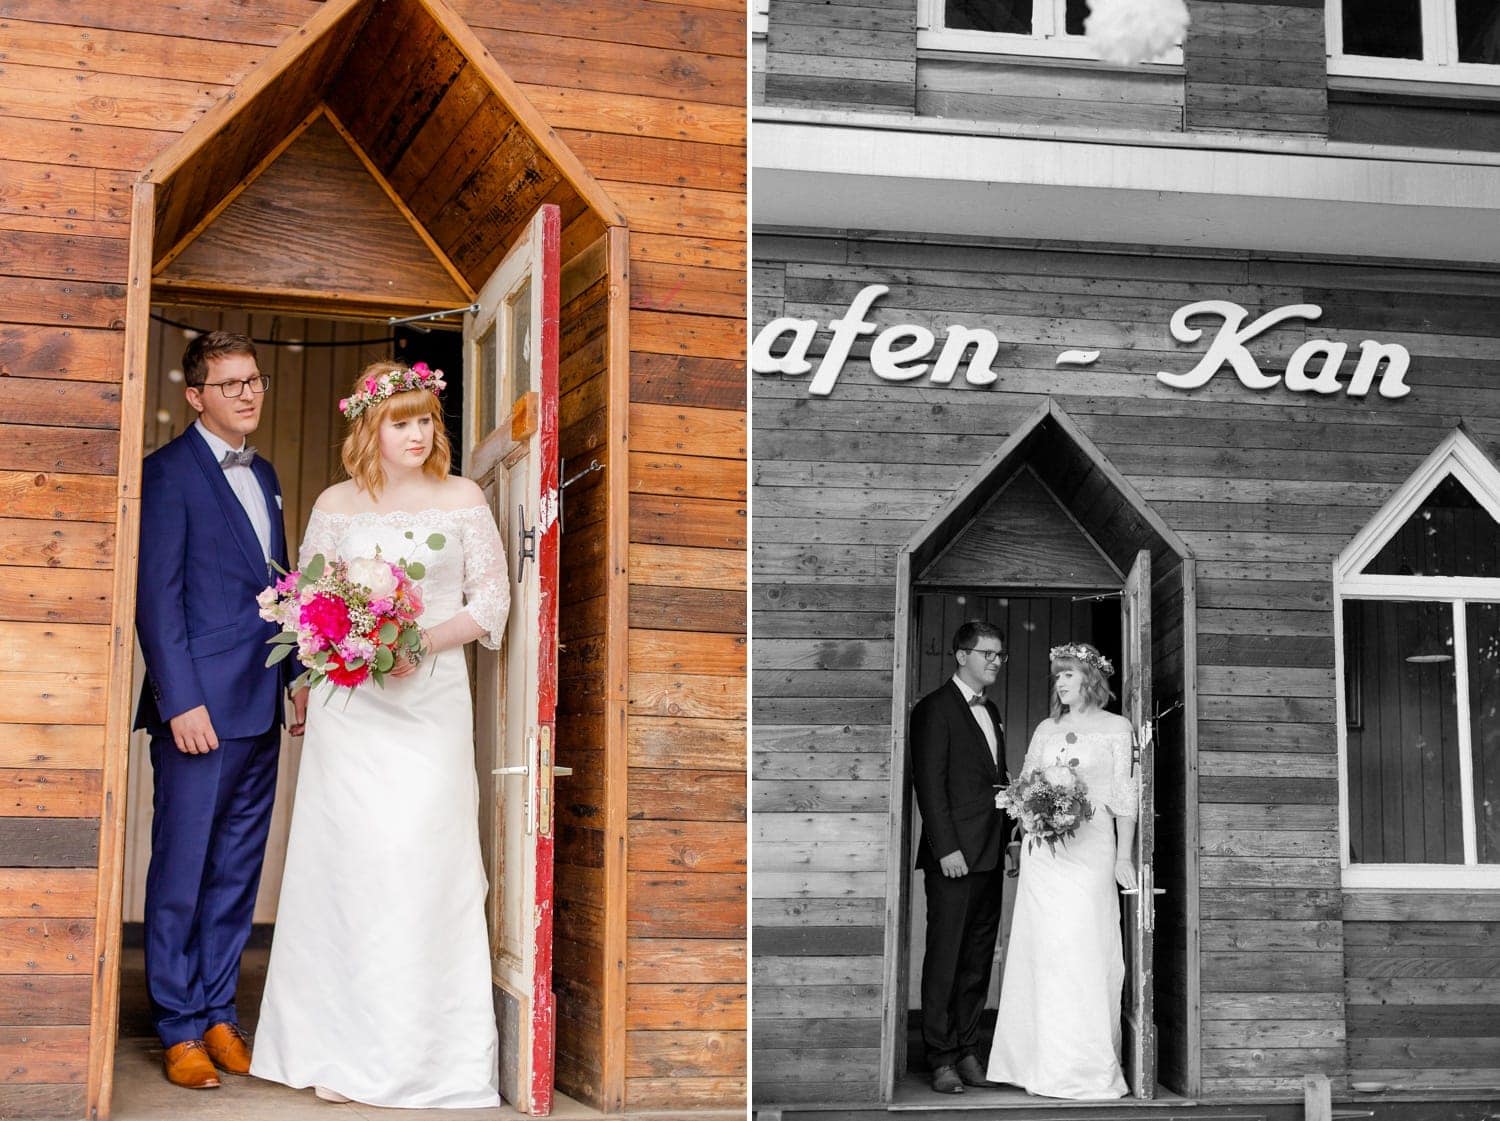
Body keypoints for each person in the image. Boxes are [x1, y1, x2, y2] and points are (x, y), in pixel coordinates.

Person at [250, 360, 509, 1109]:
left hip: (428, 704)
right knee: (352, 870)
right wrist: (345, 649)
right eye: (402, 421)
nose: (419, 433)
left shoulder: (464, 498)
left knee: (423, 863)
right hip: (353, 712)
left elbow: (491, 600)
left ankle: (428, 1056)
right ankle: (343, 1051)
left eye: (427, 419)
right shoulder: (336, 503)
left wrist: (417, 642)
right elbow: (309, 607)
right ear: (371, 427)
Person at [134, 331, 292, 1090]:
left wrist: (293, 677)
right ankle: (176, 1026)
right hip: (197, 711)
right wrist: (179, 700)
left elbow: (281, 590)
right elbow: (155, 598)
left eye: (253, 380)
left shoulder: (265, 476)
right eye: (229, 384)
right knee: (182, 870)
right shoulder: (165, 474)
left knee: (235, 870)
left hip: (260, 705)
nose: (248, 394)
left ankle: (219, 1013)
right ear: (195, 396)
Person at [986, 641, 1138, 1099]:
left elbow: (1125, 798)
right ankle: (1034, 1062)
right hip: (1044, 856)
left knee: (1084, 947)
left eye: (1067, 674)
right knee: (1045, 950)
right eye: (1057, 676)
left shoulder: (1117, 727)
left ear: (1090, 678)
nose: (1060, 682)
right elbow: (1025, 786)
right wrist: (1030, 817)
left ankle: (1083, 1066)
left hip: (1091, 850)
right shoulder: (1046, 729)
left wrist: (1123, 856)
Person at [909, 620, 1011, 1094]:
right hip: (953, 857)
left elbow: (1000, 785)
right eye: (986, 653)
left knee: (976, 960)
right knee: (946, 958)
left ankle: (968, 1049)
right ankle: (940, 1057)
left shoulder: (992, 712)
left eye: (998, 654)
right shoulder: (934, 709)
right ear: (960, 655)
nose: (994, 661)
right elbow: (929, 785)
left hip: (990, 856)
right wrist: (945, 847)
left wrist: (1010, 840)